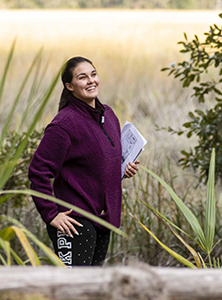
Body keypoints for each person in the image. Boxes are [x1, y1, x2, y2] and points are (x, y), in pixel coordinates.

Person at [28, 57, 139, 267]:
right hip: (74, 221)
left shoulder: (108, 114)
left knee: (90, 290)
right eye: (82, 77)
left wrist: (124, 169)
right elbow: (38, 171)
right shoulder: (64, 125)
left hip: (104, 219)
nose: (91, 81)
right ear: (69, 86)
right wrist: (51, 214)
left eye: (93, 74)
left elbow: (102, 163)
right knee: (72, 290)